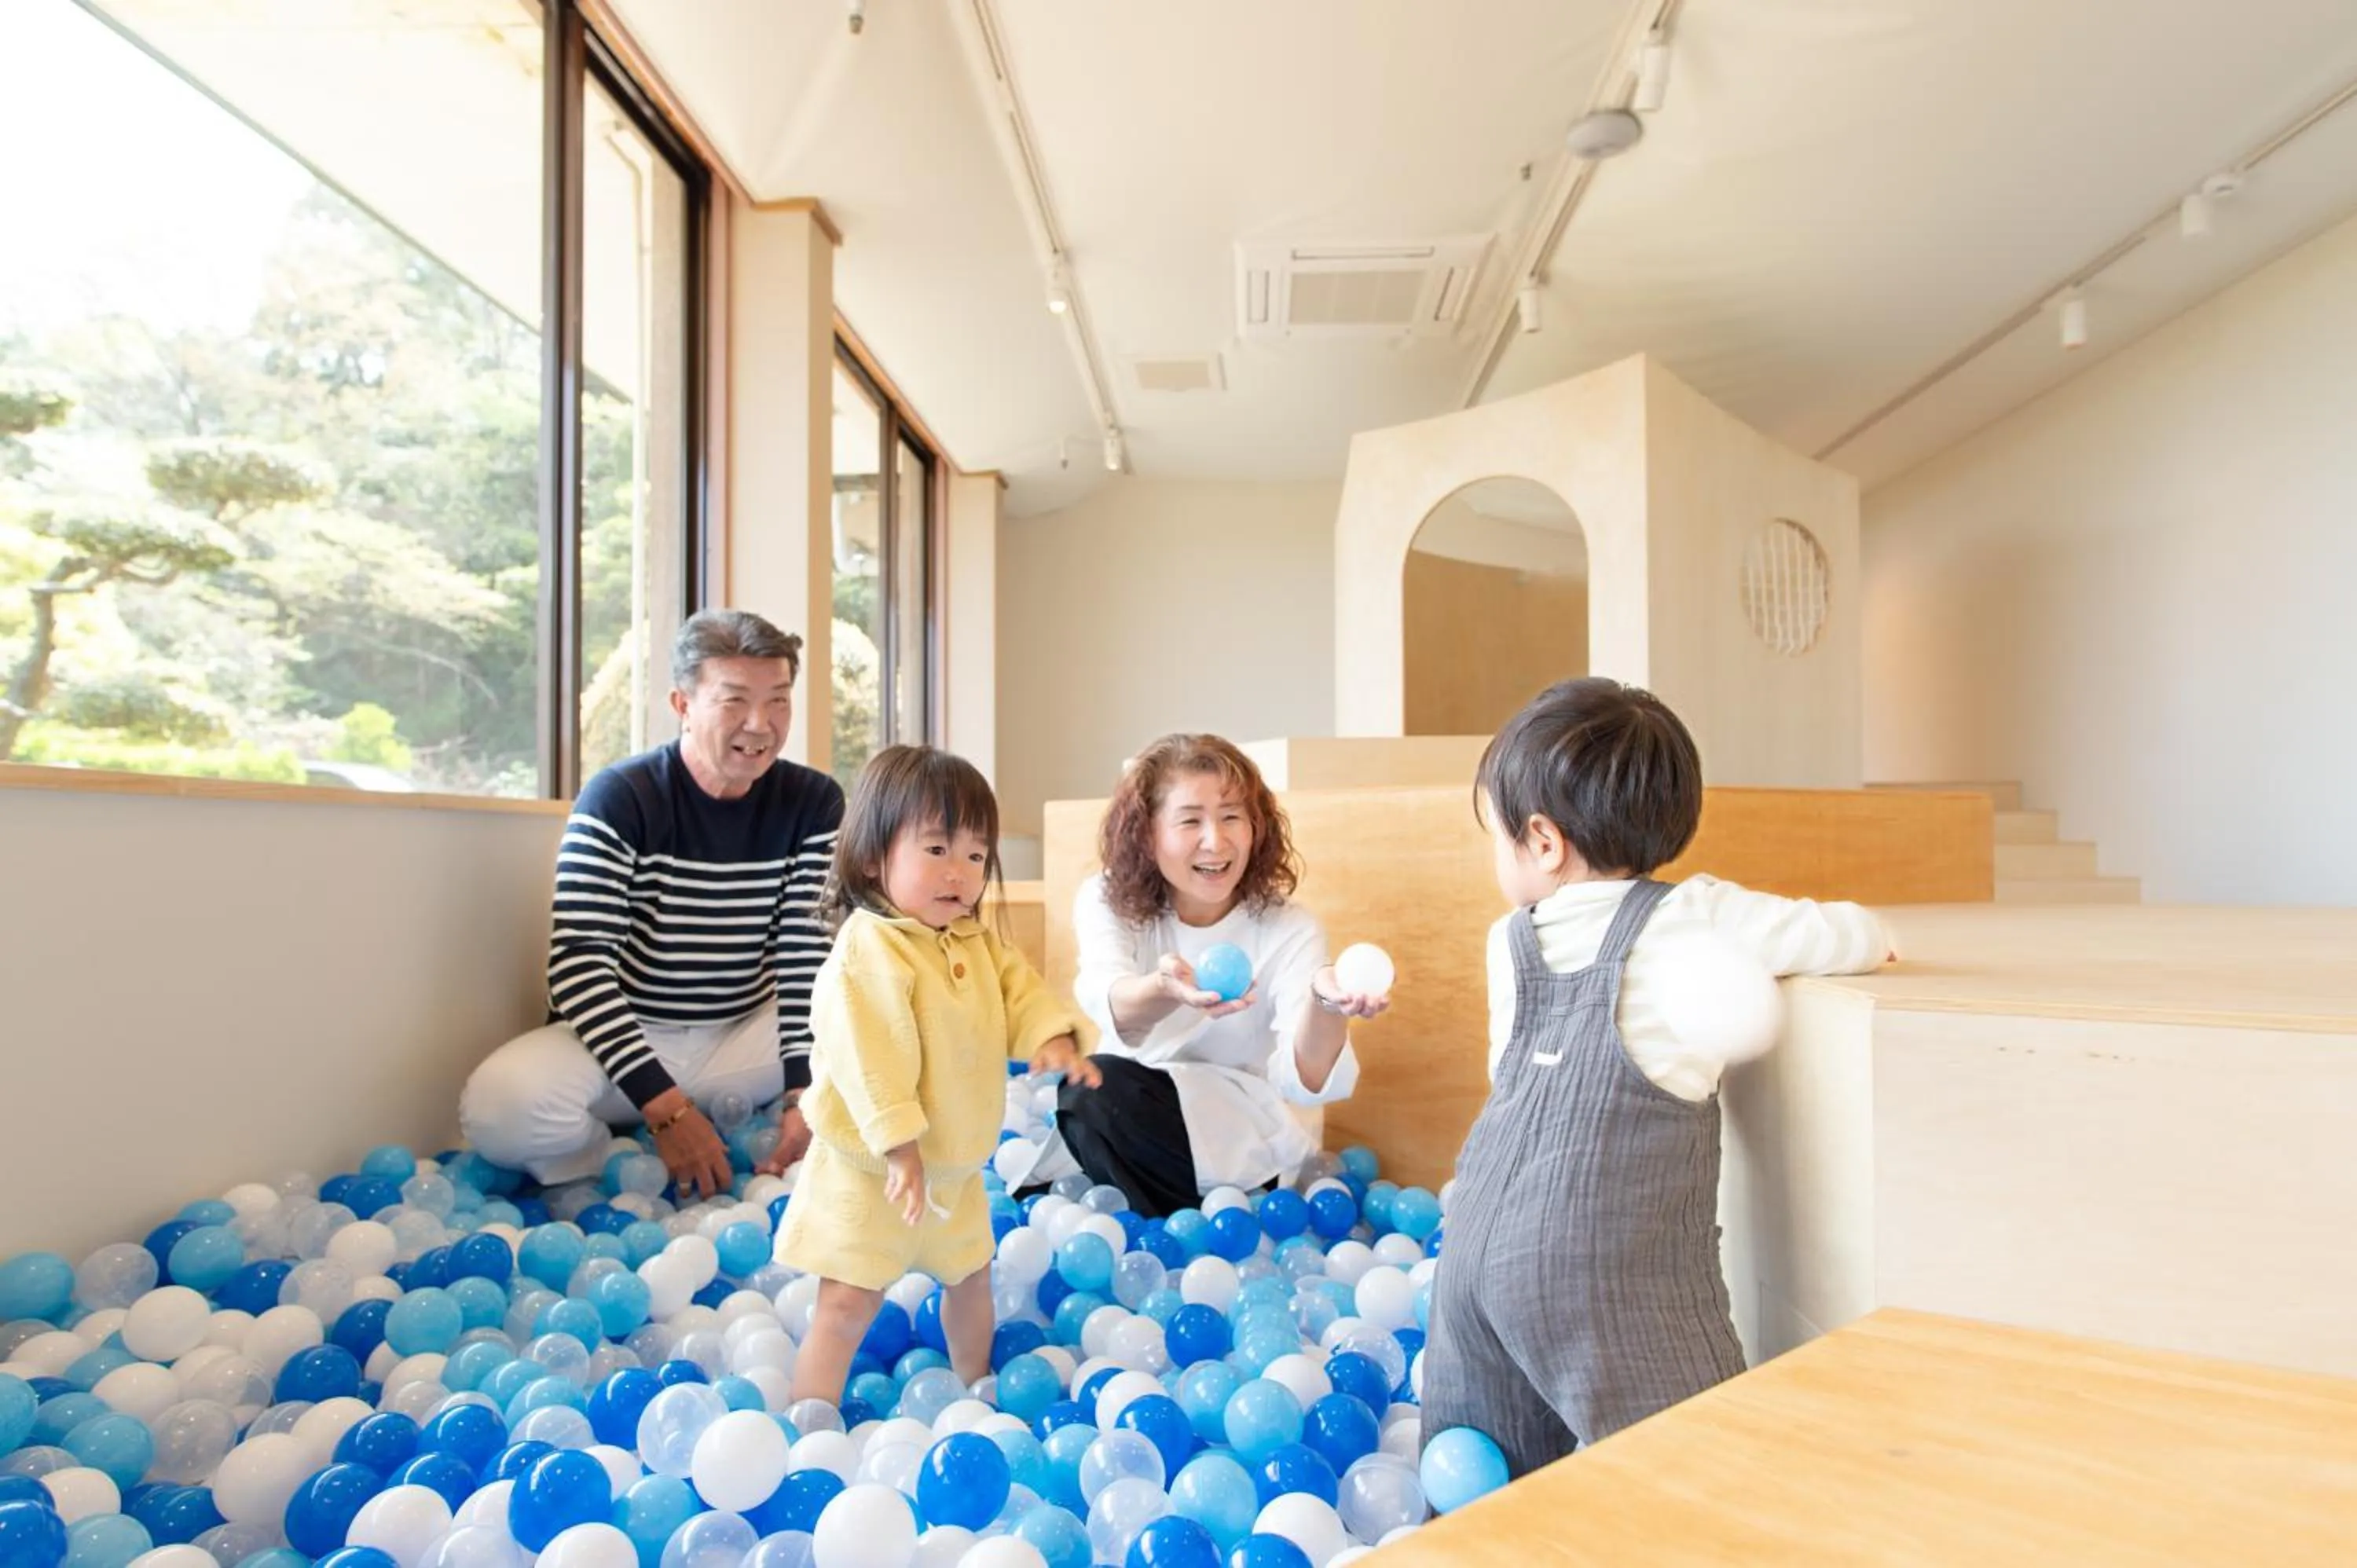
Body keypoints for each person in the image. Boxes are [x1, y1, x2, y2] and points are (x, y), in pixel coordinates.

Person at [1421, 676, 1893, 1478]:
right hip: (1596, 1261)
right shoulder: (1698, 915)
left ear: (1542, 842)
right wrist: (1876, 940)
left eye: (1495, 837)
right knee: (1694, 1472)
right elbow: (1855, 933)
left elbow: (1515, 1081)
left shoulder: (1509, 942)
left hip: (1471, 1239)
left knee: (1476, 1478)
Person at [459, 609, 843, 1199]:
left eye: (779, 701)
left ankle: (699, 1133)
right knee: (497, 1106)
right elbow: (577, 965)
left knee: (864, 1012)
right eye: (734, 701)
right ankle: (624, 1161)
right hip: (623, 1039)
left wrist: (803, 1097)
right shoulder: (620, 797)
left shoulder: (813, 802)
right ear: (683, 704)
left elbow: (802, 959)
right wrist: (666, 1111)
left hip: (739, 1039)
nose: (760, 724)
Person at [775, 745, 1094, 1403]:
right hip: (873, 1173)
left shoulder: (975, 942)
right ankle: (808, 1425)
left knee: (972, 1279)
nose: (960, 873)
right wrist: (899, 1148)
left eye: (976, 856)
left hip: (949, 1171)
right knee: (846, 1304)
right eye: (937, 850)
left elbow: (1020, 991)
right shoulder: (867, 951)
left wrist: (1053, 1036)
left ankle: (976, 1388)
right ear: (872, 856)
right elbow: (868, 1060)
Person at [1040, 734, 1389, 1218]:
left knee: (1093, 1095)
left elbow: (1306, 1079)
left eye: (1232, 817)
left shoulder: (1288, 927)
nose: (1216, 840)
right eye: (1190, 821)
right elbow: (1109, 996)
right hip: (1127, 1111)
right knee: (1089, 1089)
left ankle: (1171, 1228)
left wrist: (1327, 1005)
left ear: (1256, 827)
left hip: (1243, 1136)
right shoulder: (1106, 899)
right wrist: (1166, 990)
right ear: (1147, 833)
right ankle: (1163, 1227)